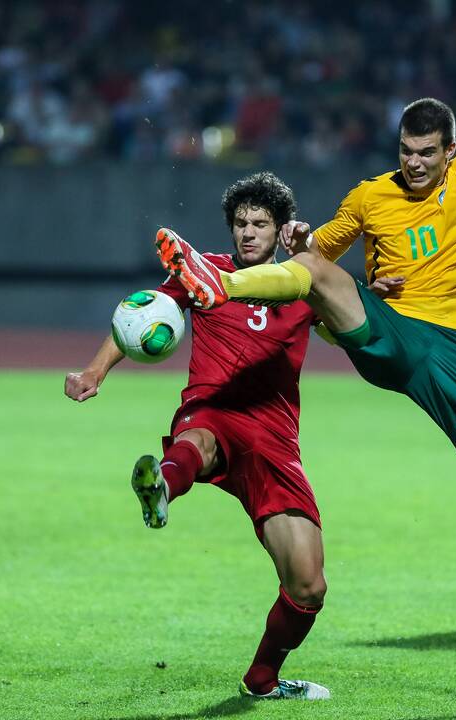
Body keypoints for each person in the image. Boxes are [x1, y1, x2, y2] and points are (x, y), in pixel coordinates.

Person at [153, 21, 456, 681]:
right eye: (406, 151)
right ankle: (217, 283)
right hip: (389, 331)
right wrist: (305, 242)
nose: (413, 162)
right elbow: (311, 264)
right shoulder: (368, 197)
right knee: (325, 275)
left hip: (454, 352)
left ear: (449, 151)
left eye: (425, 153)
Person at [65, 172, 329, 701]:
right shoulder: (202, 273)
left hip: (273, 439)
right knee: (198, 441)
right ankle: (161, 489)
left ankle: (262, 679)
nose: (248, 233)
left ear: (280, 230)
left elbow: (353, 324)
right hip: (212, 409)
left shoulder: (303, 285)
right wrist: (95, 371)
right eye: (240, 223)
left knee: (308, 585)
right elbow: (141, 317)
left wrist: (385, 298)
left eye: (259, 223)